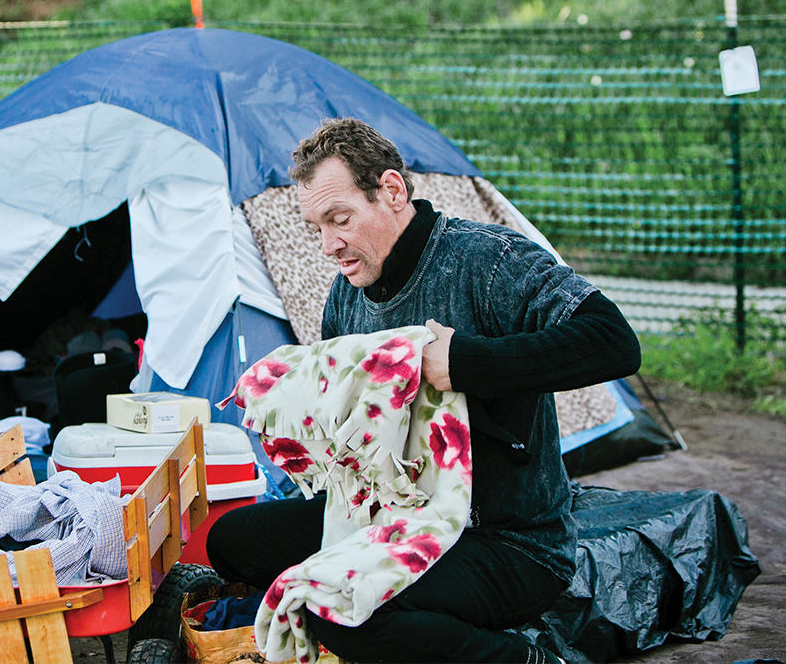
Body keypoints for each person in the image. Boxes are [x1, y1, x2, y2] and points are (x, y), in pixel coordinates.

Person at [206, 118, 641, 663]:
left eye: (339, 220)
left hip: (504, 540)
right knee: (230, 541)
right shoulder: (345, 298)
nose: (328, 245)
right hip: (389, 518)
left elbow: (614, 341)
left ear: (390, 191)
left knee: (341, 610)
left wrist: (465, 362)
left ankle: (523, 660)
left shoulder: (486, 260)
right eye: (315, 227)